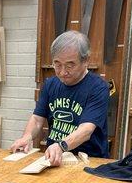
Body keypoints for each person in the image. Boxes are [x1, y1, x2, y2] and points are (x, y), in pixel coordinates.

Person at [11, 30, 109, 165]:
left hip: (89, 161)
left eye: (70, 65)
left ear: (86, 61)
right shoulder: (50, 84)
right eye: (57, 64)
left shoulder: (98, 88)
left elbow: (86, 130)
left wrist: (61, 146)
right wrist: (27, 137)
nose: (63, 72)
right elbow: (37, 119)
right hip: (55, 158)